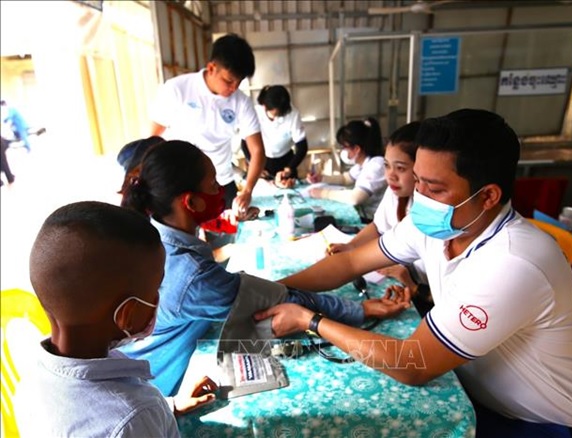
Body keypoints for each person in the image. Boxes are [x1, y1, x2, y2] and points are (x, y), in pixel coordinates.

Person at [256, 109, 572, 437]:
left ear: (487, 196)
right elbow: (349, 263)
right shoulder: (441, 225)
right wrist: (270, 290)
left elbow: (413, 364)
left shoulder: (514, 262)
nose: (420, 197)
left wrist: (309, 320)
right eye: (418, 181)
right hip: (480, 397)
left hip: (545, 424)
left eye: (435, 188)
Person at [118, 139, 409, 396]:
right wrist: (359, 310)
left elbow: (268, 292)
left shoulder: (157, 239)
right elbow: (280, 300)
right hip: (164, 384)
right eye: (212, 185)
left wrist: (266, 291)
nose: (221, 190)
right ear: (190, 201)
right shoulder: (192, 276)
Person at [15, 201, 218, 438]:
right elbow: (122, 421)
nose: (158, 297)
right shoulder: (131, 419)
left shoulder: (32, 378)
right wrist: (148, 415)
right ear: (126, 315)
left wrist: (166, 407)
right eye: (156, 287)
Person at [149, 33, 266, 217]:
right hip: (182, 187)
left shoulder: (241, 102)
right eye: (228, 81)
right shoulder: (177, 89)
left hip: (221, 183)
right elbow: (152, 139)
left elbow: (257, 150)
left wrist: (247, 191)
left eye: (239, 82)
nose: (234, 88)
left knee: (228, 235)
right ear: (212, 67)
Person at [325, 121, 432, 314]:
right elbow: (378, 226)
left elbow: (448, 298)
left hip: (429, 299)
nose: (390, 175)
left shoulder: (435, 214)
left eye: (400, 168)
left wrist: (412, 284)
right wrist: (352, 246)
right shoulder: (396, 194)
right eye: (387, 166)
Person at [306, 117, 386, 223]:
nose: (343, 151)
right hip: (364, 215)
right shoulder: (362, 163)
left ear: (357, 149)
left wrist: (323, 193)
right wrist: (321, 178)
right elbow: (346, 179)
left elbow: (355, 198)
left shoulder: (377, 165)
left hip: (372, 220)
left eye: (344, 147)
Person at [241, 85, 307, 188]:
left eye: (281, 114)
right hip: (262, 159)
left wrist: (289, 168)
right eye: (274, 114)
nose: (277, 117)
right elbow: (244, 143)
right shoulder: (255, 113)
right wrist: (254, 164)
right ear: (265, 106)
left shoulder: (293, 114)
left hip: (286, 160)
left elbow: (302, 146)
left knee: (289, 191)